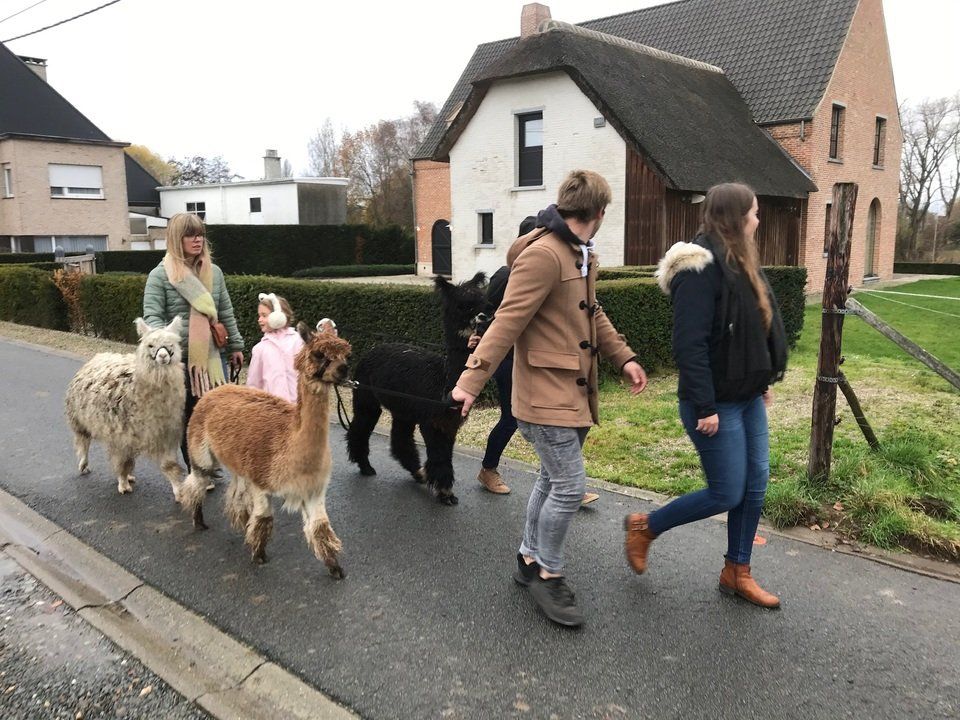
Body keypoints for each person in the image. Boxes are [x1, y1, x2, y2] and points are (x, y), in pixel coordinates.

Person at [452, 170, 648, 627]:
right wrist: (470, 381)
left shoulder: (579, 255)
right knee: (570, 487)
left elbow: (590, 313)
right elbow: (507, 322)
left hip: (572, 393)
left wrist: (624, 357)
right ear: (600, 212)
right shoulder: (543, 256)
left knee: (551, 480)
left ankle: (527, 558)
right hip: (543, 397)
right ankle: (548, 573)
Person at [623, 182, 788, 609]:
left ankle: (738, 571)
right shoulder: (699, 268)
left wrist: (761, 379)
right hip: (714, 403)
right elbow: (689, 344)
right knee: (726, 491)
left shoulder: (740, 260)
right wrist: (705, 405)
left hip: (746, 395)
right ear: (735, 218)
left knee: (754, 487)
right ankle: (646, 527)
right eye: (753, 212)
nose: (758, 219)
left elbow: (752, 330)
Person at [470, 217, 599, 506]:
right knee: (511, 419)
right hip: (509, 359)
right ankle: (488, 470)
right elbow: (491, 312)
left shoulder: (557, 269)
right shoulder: (507, 274)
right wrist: (479, 338)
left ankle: (562, 482)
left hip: (540, 361)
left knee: (557, 424)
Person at [142, 213, 244, 476]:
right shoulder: (160, 276)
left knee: (214, 412)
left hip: (213, 356)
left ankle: (210, 462)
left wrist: (235, 347)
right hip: (180, 361)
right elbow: (152, 316)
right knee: (189, 415)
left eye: (200, 234)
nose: (197, 239)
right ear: (178, 239)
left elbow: (225, 311)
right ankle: (197, 469)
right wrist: (169, 339)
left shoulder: (214, 273)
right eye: (190, 235)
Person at [247, 293, 304, 404]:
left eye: (264, 315)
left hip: (297, 404)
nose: (259, 319)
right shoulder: (260, 348)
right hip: (271, 409)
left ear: (279, 316)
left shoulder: (298, 341)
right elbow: (253, 383)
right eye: (259, 315)